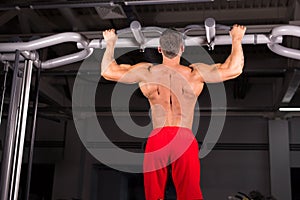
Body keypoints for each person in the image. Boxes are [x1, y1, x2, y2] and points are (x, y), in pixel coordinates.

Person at [101, 24, 246, 200]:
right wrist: (236, 38)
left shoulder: (147, 73)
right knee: (190, 194)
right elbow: (234, 69)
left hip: (158, 138)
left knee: (153, 195)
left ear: (159, 49)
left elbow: (108, 71)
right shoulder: (194, 74)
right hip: (183, 139)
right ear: (182, 48)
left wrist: (110, 43)